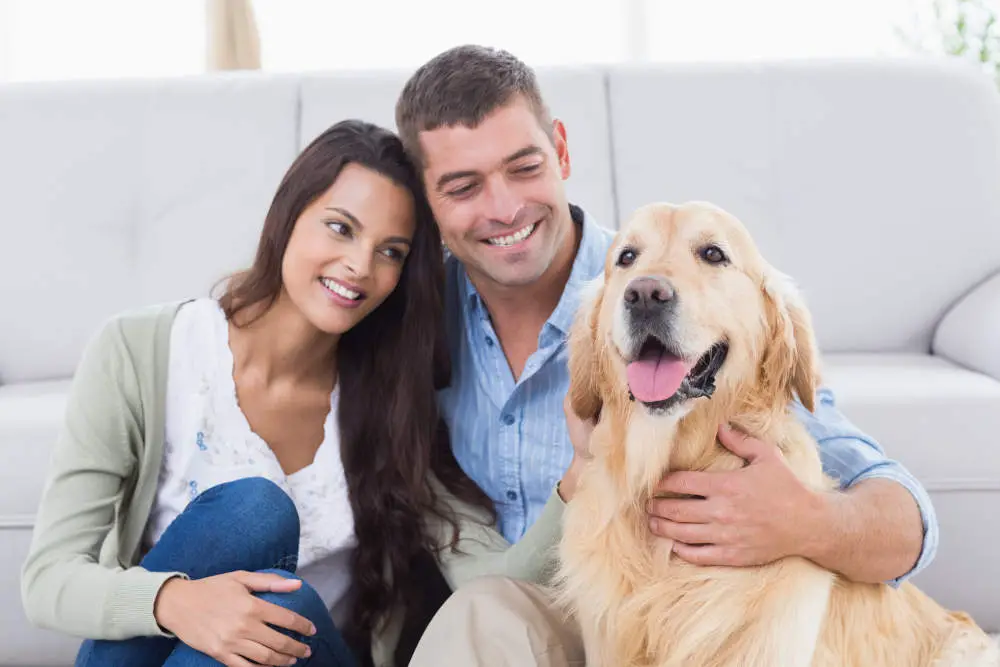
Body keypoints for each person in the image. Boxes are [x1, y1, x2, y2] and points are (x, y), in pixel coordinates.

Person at [392, 45, 940, 665]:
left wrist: (809, 520)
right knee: (482, 612)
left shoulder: (708, 324)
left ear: (562, 150)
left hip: (686, 619)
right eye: (463, 187)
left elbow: (905, 519)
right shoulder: (411, 320)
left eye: (524, 167)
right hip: (541, 616)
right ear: (426, 199)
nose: (503, 208)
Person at [20, 119, 510, 667]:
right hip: (172, 652)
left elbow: (502, 582)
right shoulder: (138, 352)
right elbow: (48, 579)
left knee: (280, 607)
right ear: (288, 216)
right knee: (253, 513)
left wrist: (583, 472)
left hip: (317, 656)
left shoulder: (391, 402)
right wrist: (176, 602)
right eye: (341, 228)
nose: (360, 266)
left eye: (391, 252)